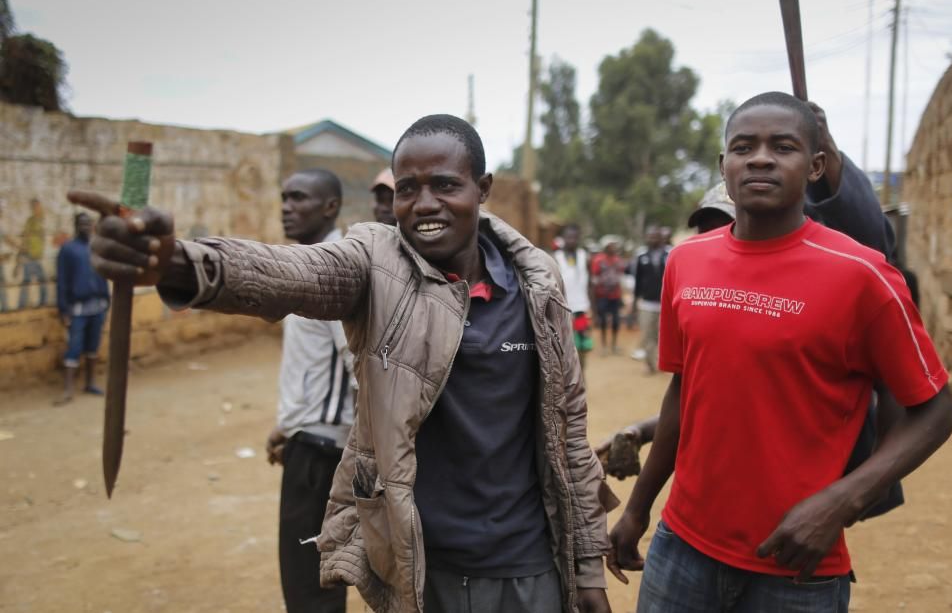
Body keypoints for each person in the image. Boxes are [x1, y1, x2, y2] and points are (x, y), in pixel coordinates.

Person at [71, 114, 612, 613]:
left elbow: (567, 432)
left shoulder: (537, 282)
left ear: (483, 190)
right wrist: (180, 263)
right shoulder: (376, 263)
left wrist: (588, 569)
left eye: (445, 185)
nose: (424, 204)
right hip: (422, 571)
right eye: (407, 190)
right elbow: (286, 273)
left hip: (529, 570)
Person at [607, 92, 952, 612]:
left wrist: (842, 501)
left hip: (795, 568)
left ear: (815, 166)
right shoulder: (687, 263)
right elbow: (687, 394)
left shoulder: (864, 277)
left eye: (783, 146)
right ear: (723, 166)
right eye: (743, 146)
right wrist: (638, 509)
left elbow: (936, 411)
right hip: (680, 550)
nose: (761, 158)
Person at [598, 103, 909, 521]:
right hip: (694, 527)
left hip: (794, 526)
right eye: (703, 227)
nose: (713, 237)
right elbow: (709, 396)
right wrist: (641, 436)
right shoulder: (690, 269)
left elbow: (869, 232)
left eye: (720, 223)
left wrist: (852, 495)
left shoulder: (845, 275)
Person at [263, 168, 354, 613]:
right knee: (313, 580)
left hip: (322, 453)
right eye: (284, 197)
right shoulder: (309, 263)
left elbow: (359, 361)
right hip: (308, 439)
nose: (286, 206)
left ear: (330, 206)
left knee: (310, 585)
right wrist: (287, 427)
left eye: (298, 198)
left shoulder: (333, 268)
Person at [54, 213, 109, 405]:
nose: (86, 227)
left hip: (98, 306)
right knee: (74, 348)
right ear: (76, 226)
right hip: (77, 309)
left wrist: (106, 302)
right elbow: (61, 281)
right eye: (82, 224)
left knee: (93, 347)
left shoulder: (96, 247)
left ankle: (90, 383)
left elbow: (103, 275)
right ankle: (68, 389)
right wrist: (63, 310)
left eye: (88, 224)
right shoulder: (68, 250)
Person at [630, 225, 670, 374]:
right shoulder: (641, 256)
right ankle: (650, 365)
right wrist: (634, 304)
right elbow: (637, 282)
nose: (652, 238)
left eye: (656, 236)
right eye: (650, 236)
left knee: (663, 336)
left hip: (666, 304)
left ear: (661, 237)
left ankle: (663, 363)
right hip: (646, 304)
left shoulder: (670, 254)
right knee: (647, 335)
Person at [553, 223, 593, 369]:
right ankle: (568, 381)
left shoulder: (585, 256)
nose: (572, 241)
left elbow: (590, 284)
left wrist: (592, 307)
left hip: (582, 308)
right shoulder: (555, 258)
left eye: (575, 238)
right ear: (563, 238)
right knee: (565, 344)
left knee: (582, 345)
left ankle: (581, 379)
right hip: (563, 309)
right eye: (568, 237)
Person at [590, 236, 626, 354]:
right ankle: (604, 345)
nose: (613, 248)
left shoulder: (618, 260)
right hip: (602, 295)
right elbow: (594, 279)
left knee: (616, 321)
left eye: (614, 246)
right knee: (603, 321)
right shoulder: (598, 260)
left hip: (615, 295)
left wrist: (621, 294)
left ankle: (614, 345)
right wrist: (594, 297)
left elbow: (620, 277)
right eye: (611, 245)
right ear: (605, 247)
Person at [17, 198, 47, 308]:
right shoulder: (31, 221)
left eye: (39, 207)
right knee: (30, 281)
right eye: (37, 207)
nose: (39, 209)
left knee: (38, 280)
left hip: (36, 257)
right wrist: (21, 255)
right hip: (30, 256)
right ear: (33, 208)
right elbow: (25, 237)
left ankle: (40, 303)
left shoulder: (40, 220)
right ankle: (22, 305)